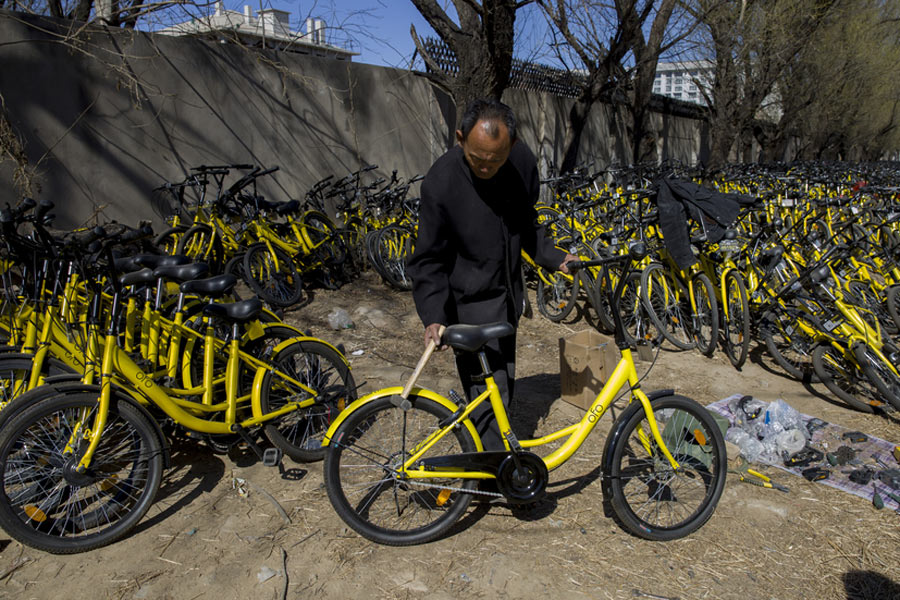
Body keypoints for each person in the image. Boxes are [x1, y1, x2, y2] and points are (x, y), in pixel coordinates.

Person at [407, 99, 576, 450]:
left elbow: (524, 225)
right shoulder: (441, 182)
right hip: (467, 302)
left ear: (512, 146)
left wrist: (554, 256)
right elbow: (428, 258)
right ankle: (495, 470)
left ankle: (491, 451)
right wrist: (434, 316)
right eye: (476, 158)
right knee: (487, 390)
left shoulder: (522, 165)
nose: (486, 167)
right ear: (460, 138)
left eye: (495, 160)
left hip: (507, 295)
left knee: (504, 382)